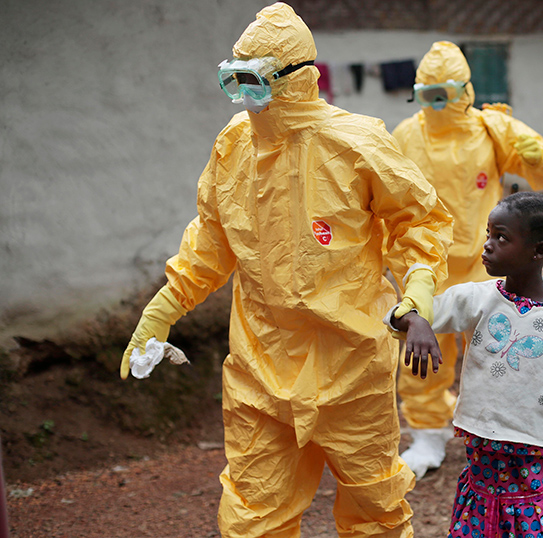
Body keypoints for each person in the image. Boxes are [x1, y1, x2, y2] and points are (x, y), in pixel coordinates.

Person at [119, 4, 453, 537]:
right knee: (253, 515)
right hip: (261, 369)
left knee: (375, 513)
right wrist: (164, 308)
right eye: (236, 80)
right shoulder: (234, 145)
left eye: (254, 81)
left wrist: (416, 295)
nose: (244, 97)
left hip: (351, 366)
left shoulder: (357, 143)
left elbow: (419, 223)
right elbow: (209, 240)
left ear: (297, 79)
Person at [387, 192, 543, 538]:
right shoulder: (476, 298)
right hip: (483, 467)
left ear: (539, 251)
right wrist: (415, 320)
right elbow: (400, 317)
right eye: (488, 234)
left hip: (539, 464)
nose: (487, 245)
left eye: (501, 237)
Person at [392, 41, 543, 478]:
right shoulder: (404, 136)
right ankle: (428, 435)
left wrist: (529, 149)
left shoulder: (490, 129)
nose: (435, 103)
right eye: (426, 93)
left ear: (464, 92)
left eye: (443, 94)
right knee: (422, 352)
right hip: (427, 267)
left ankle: (504, 432)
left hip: (486, 263)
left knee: (497, 350)